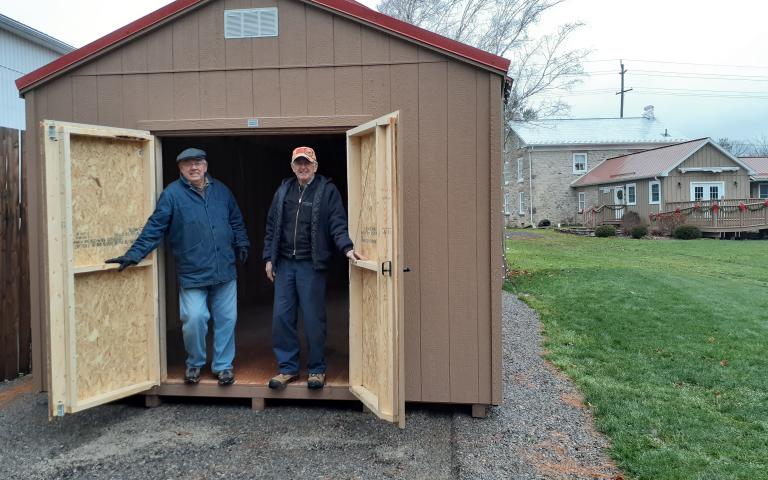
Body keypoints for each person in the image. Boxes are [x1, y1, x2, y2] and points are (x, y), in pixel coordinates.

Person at [106, 148, 250, 386]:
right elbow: (155, 226)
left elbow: (236, 220)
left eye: (198, 163)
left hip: (224, 268)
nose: (194, 167)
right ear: (180, 169)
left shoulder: (222, 191)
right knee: (194, 318)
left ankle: (223, 366)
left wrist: (242, 242)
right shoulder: (172, 194)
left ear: (205, 166)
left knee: (226, 320)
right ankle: (195, 362)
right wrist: (134, 254)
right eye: (187, 164)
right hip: (193, 271)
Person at [263, 146, 364, 390]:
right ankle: (287, 368)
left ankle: (317, 369)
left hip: (311, 265)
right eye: (298, 163)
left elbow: (337, 223)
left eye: (307, 163)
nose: (303, 167)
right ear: (292, 167)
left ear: (315, 166)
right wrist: (269, 258)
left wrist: (347, 248)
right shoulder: (283, 190)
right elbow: (271, 227)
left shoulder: (327, 190)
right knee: (281, 317)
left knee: (313, 319)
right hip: (284, 264)